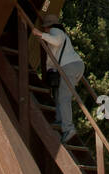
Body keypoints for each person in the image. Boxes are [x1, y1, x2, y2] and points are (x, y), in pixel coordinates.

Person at [30, 13, 84, 143]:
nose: (45, 30)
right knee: (61, 94)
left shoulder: (56, 31)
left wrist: (39, 34)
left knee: (64, 97)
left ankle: (68, 128)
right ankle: (60, 119)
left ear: (49, 26)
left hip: (68, 66)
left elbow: (57, 41)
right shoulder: (61, 34)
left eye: (45, 28)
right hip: (75, 66)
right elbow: (52, 57)